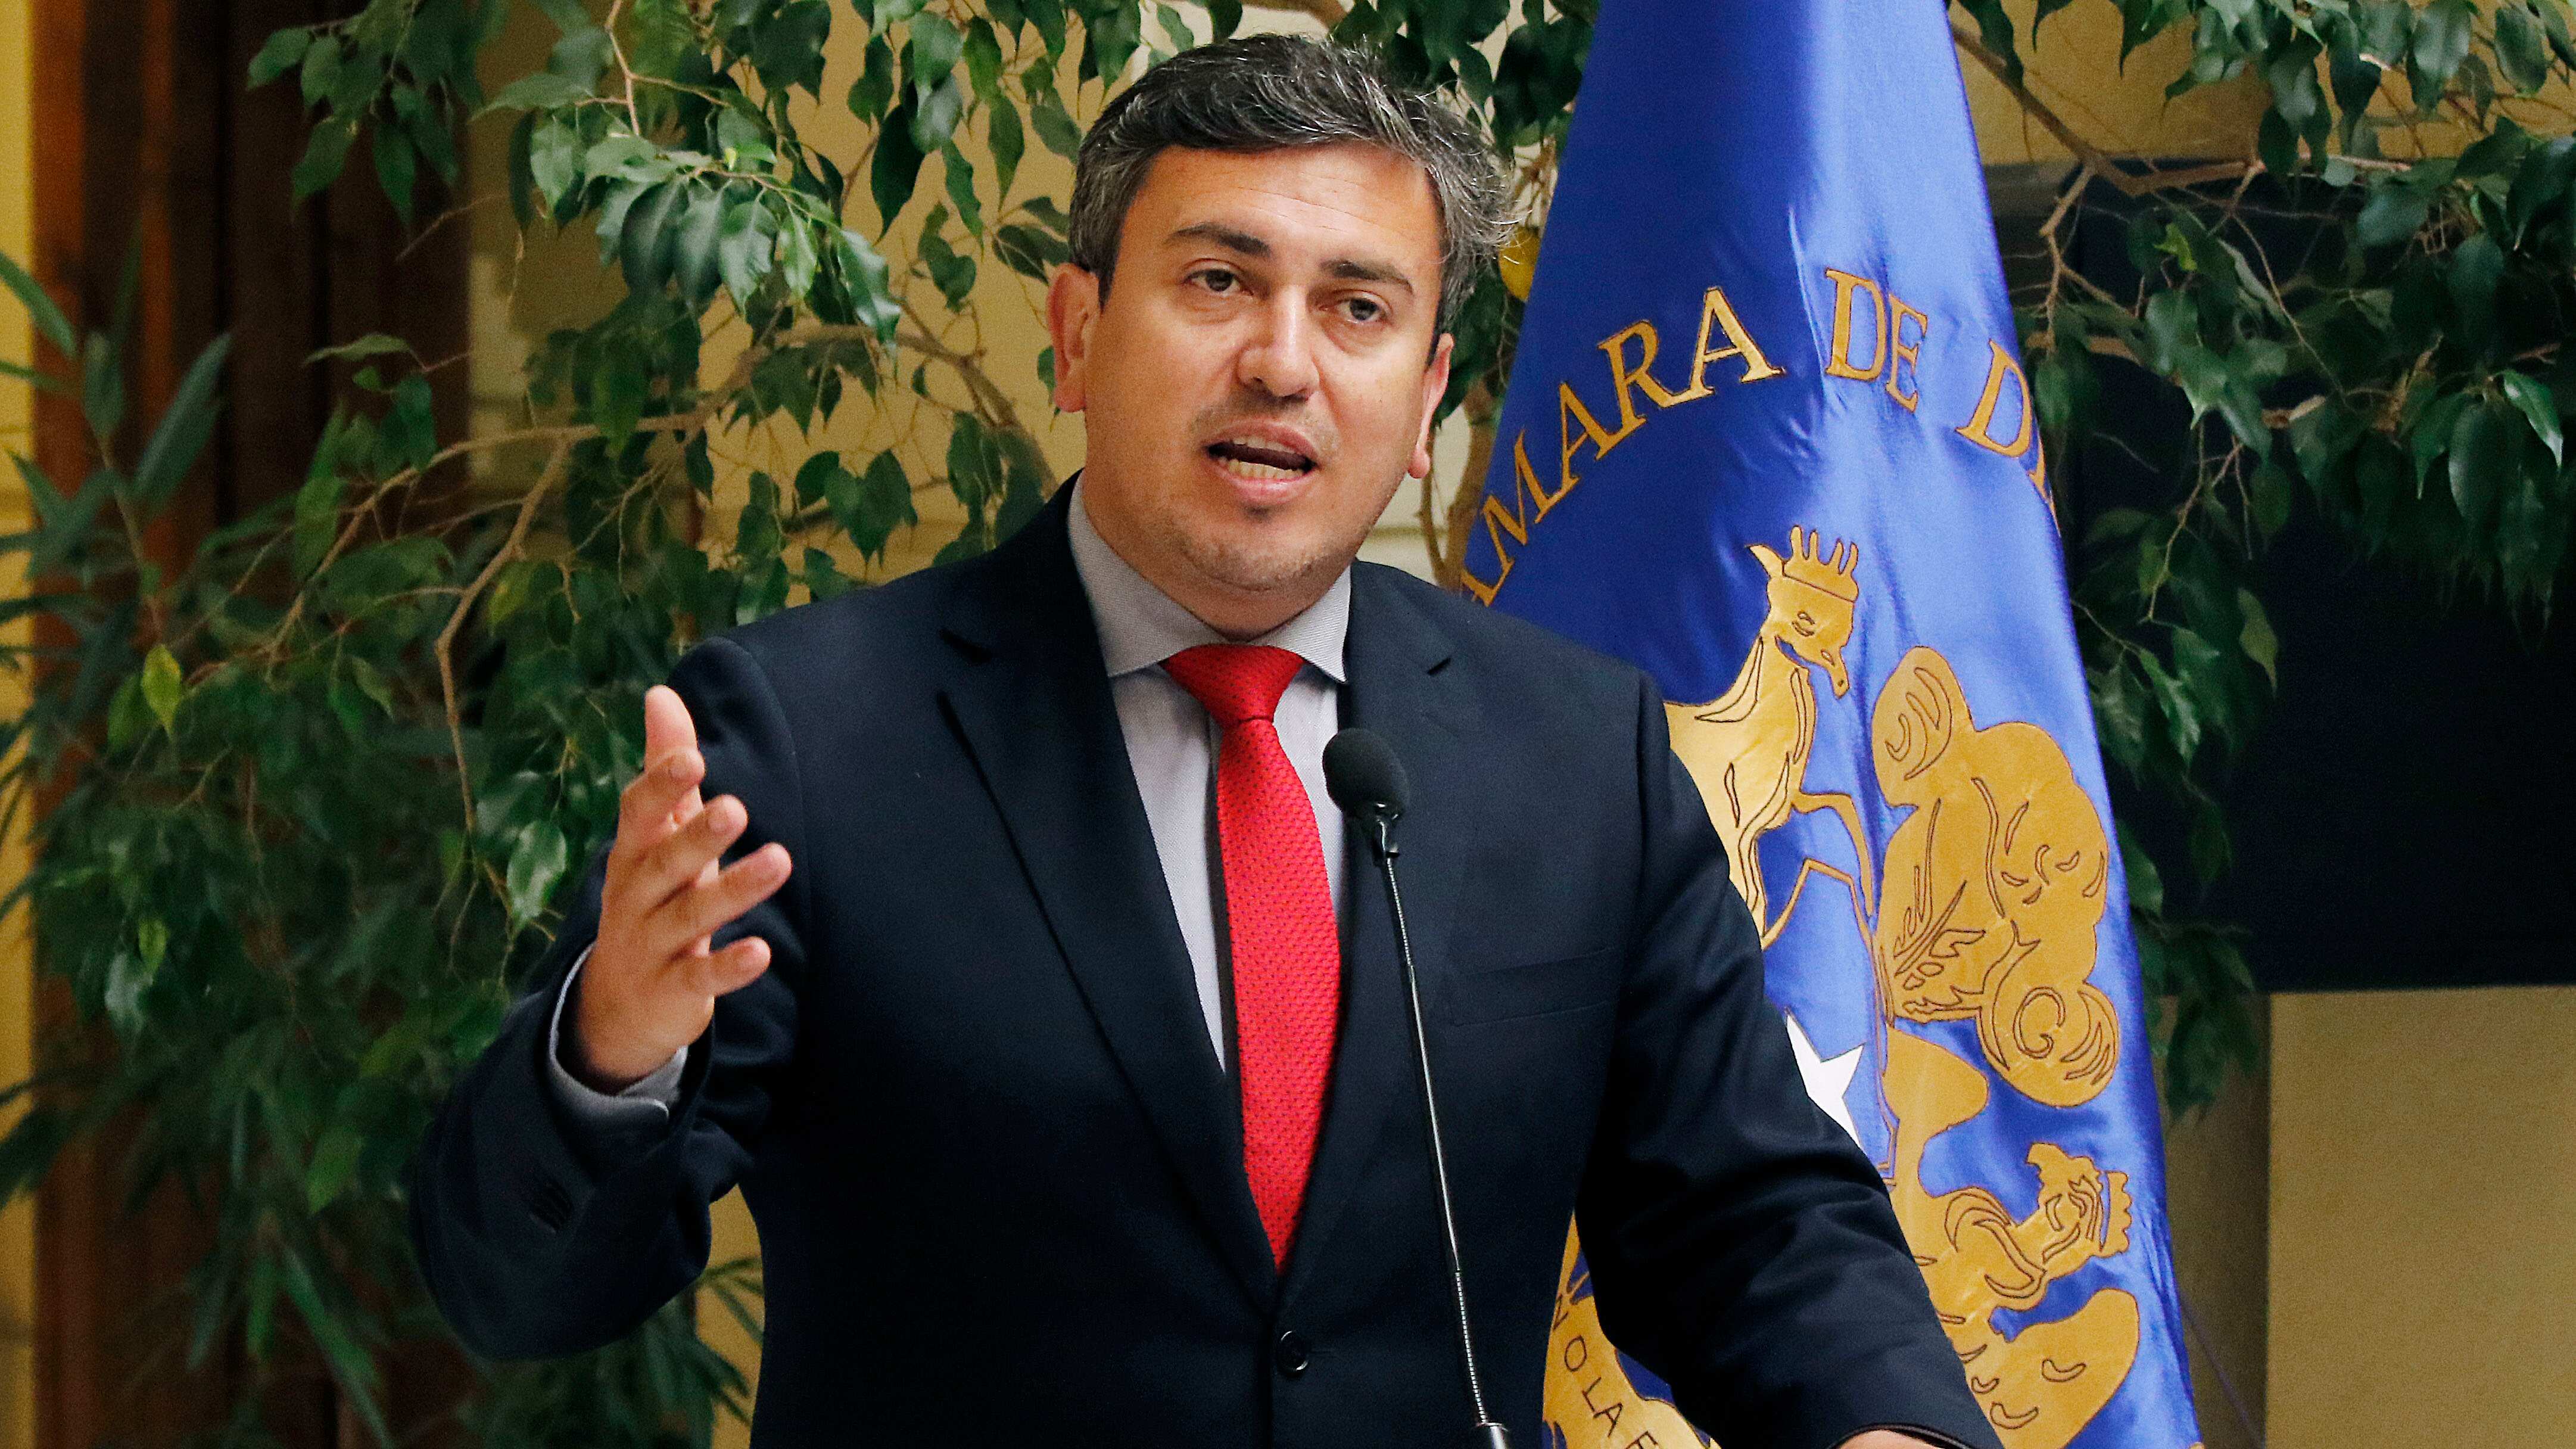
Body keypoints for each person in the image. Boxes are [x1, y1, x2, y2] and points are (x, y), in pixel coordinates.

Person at [410, 34, 1998, 1449]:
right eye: (1220, 281)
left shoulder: (1578, 755)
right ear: (1079, 331)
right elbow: (522, 1293)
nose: (1282, 363)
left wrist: (1883, 1428)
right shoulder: (810, 740)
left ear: (1431, 385)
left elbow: (1750, 1220)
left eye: (1357, 308)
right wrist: (610, 1050)